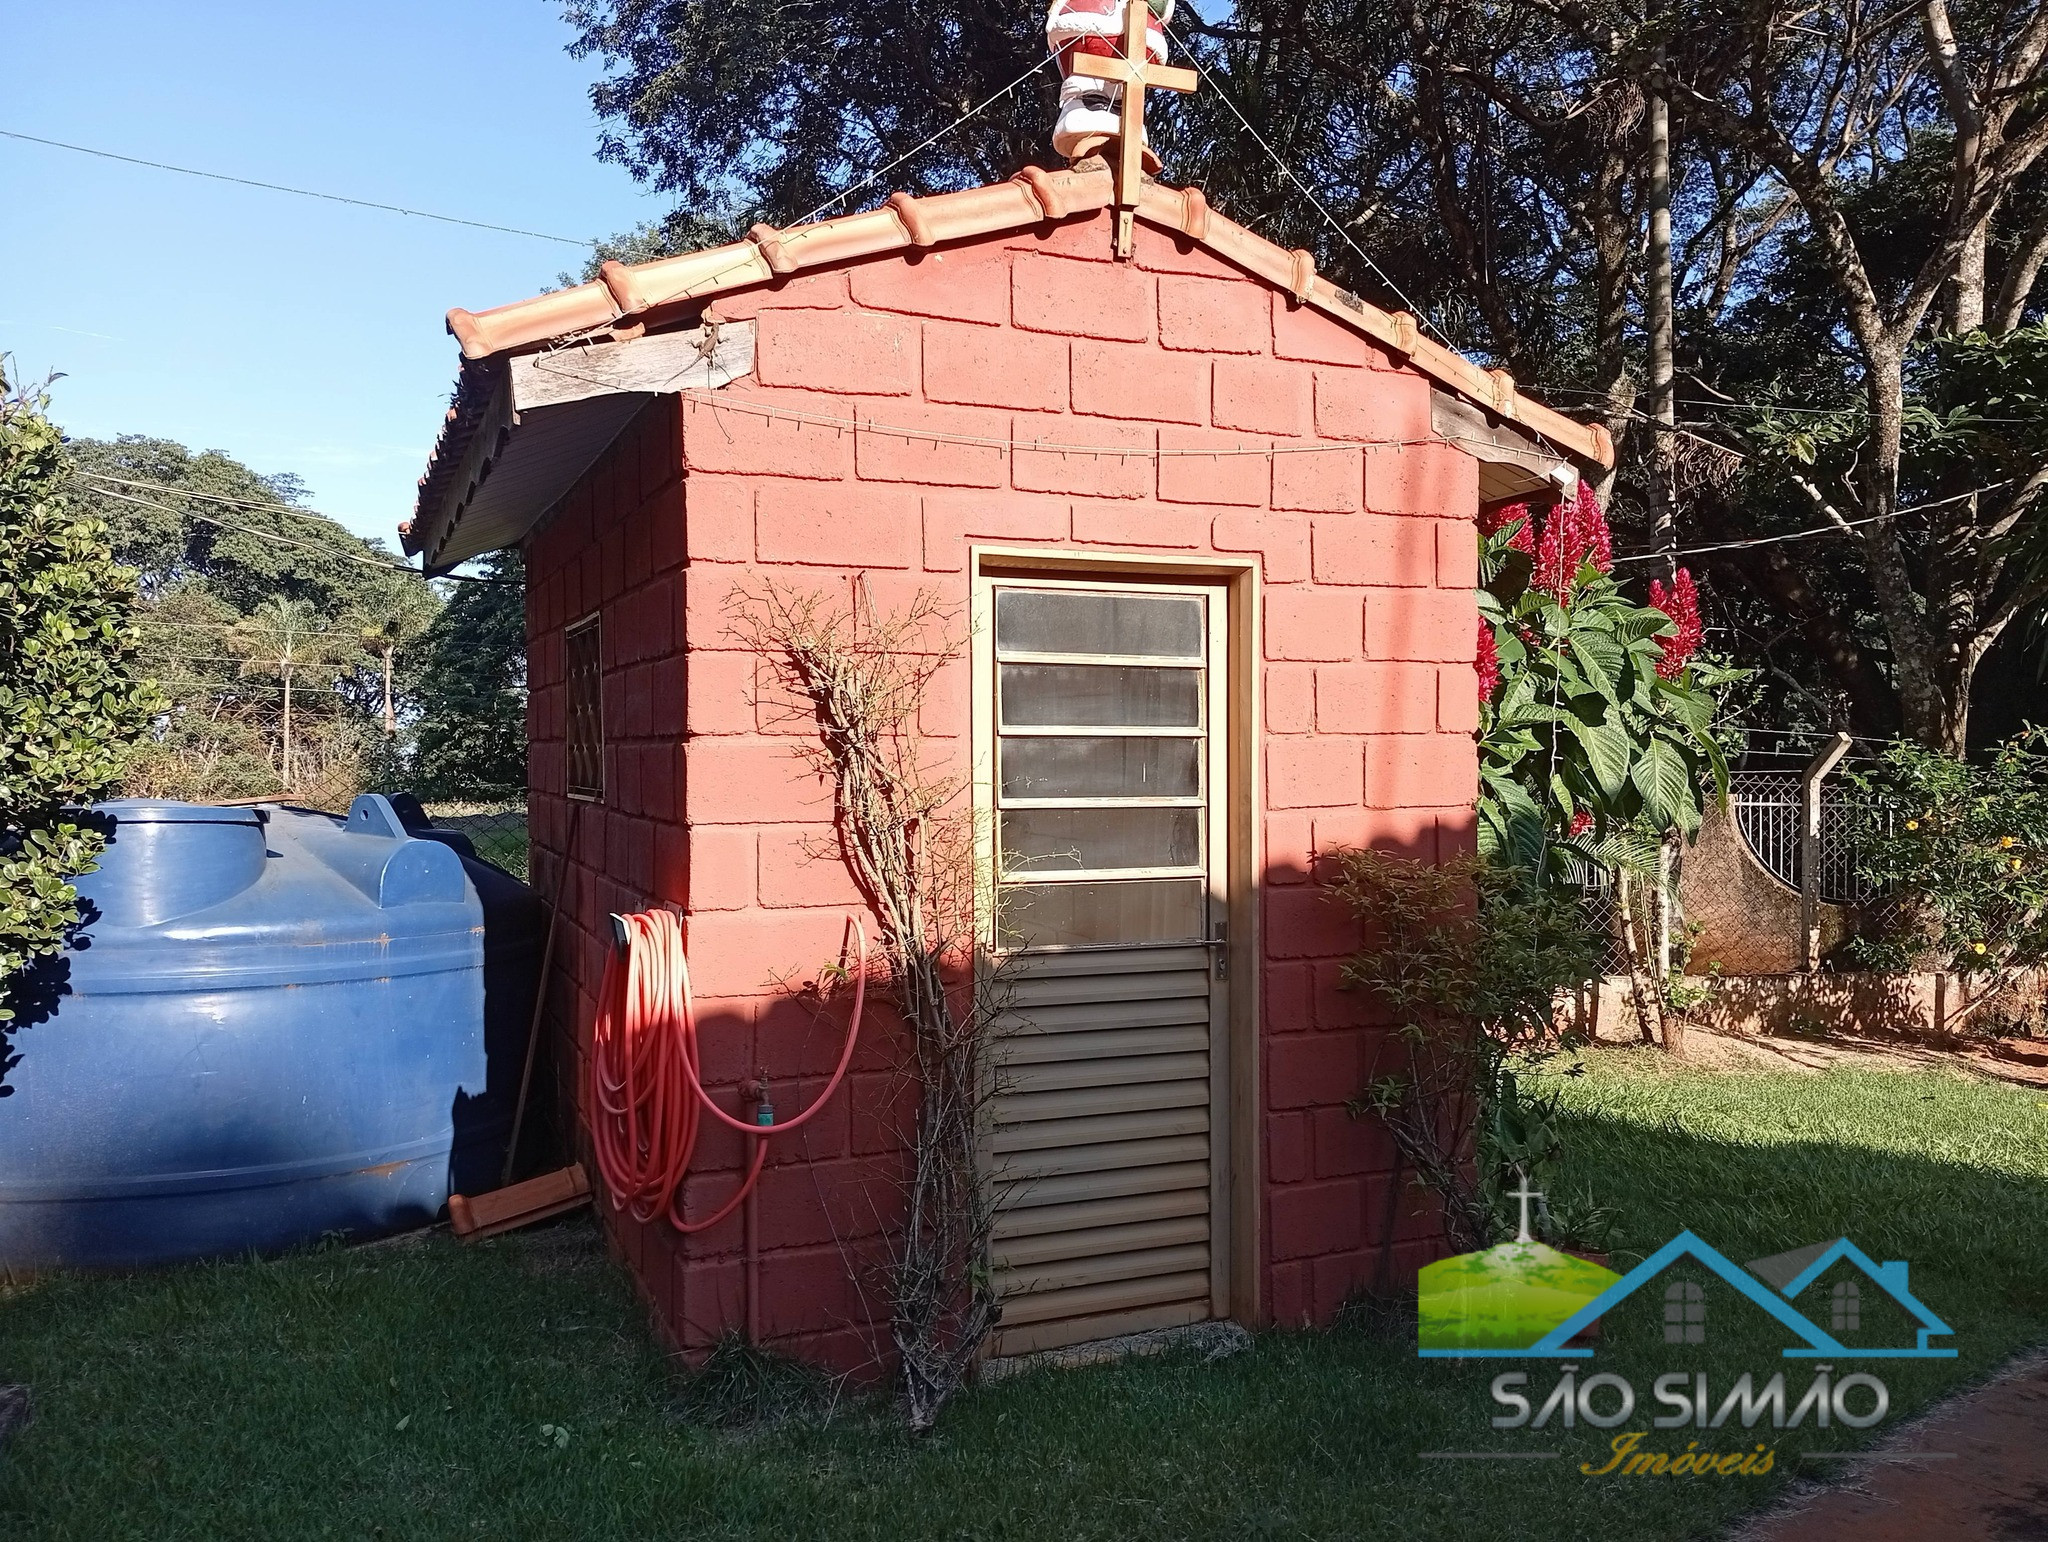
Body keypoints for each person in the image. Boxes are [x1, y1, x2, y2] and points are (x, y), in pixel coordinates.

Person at [1046, 0, 1176, 168]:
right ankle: (1088, 102)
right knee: (1088, 81)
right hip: (1087, 23)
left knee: (1126, 90)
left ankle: (1122, 110)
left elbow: (1162, 7)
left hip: (1141, 31)